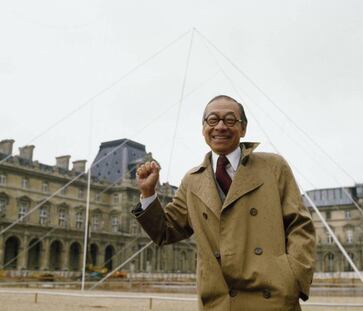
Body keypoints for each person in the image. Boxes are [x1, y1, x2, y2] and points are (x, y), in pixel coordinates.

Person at [132, 95, 316, 311]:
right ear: (203, 128)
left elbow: (300, 225)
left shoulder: (273, 166)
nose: (220, 126)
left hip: (274, 299)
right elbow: (165, 231)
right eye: (212, 120)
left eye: (230, 120)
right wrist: (148, 193)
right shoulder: (192, 180)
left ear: (243, 128)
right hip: (219, 302)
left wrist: (293, 278)